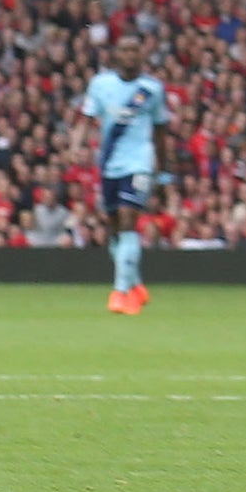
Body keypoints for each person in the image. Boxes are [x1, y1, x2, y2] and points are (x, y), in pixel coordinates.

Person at [77, 33, 174, 314]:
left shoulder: (152, 89)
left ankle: (119, 293)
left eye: (135, 49)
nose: (130, 55)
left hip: (139, 162)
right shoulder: (101, 84)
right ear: (116, 55)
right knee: (114, 225)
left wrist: (164, 170)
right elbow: (86, 119)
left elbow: (160, 131)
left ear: (142, 54)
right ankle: (136, 285)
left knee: (129, 217)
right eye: (125, 50)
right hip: (109, 163)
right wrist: (75, 144)